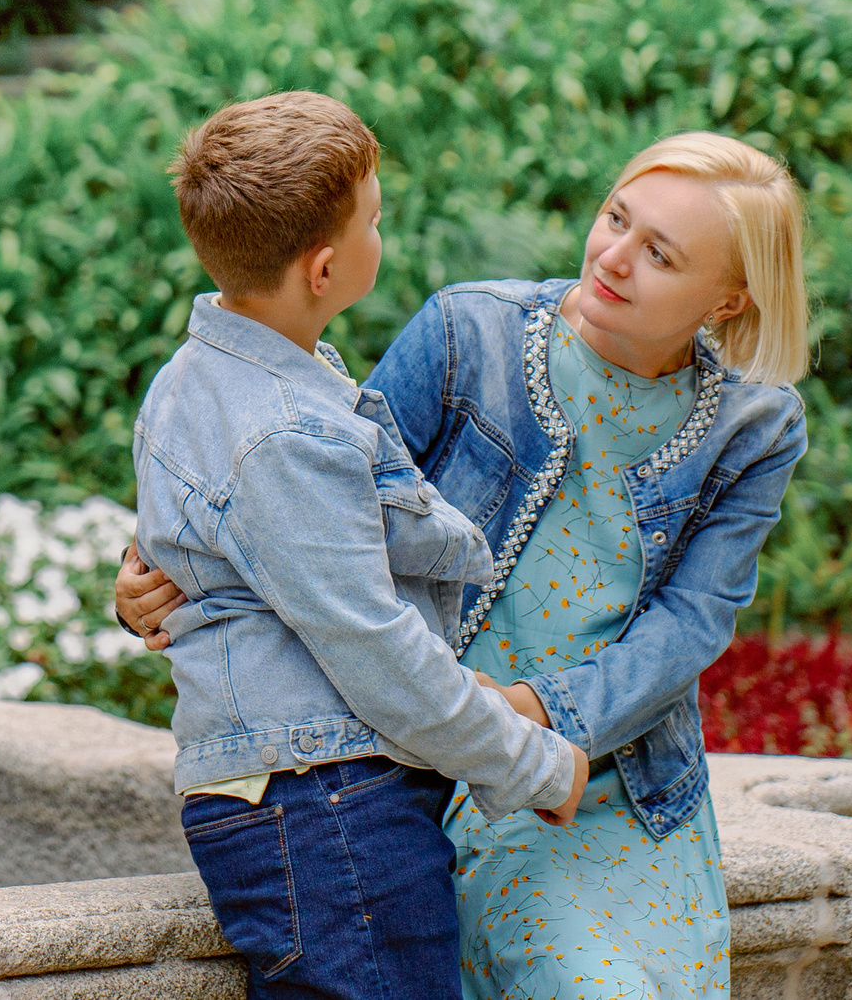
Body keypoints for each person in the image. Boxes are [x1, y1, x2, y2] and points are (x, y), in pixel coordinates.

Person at [120, 130, 811, 1000]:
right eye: (616, 217)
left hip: (617, 772)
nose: (615, 256)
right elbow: (308, 506)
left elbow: (694, 621)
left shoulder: (756, 426)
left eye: (660, 254)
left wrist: (539, 713)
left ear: (727, 300)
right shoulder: (470, 330)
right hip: (424, 752)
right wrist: (144, 574)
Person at [136, 91, 590, 1000]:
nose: (385, 234)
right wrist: (531, 762)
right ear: (327, 266)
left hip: (308, 801)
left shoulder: (203, 380)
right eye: (376, 219)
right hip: (330, 806)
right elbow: (372, 646)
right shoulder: (285, 431)